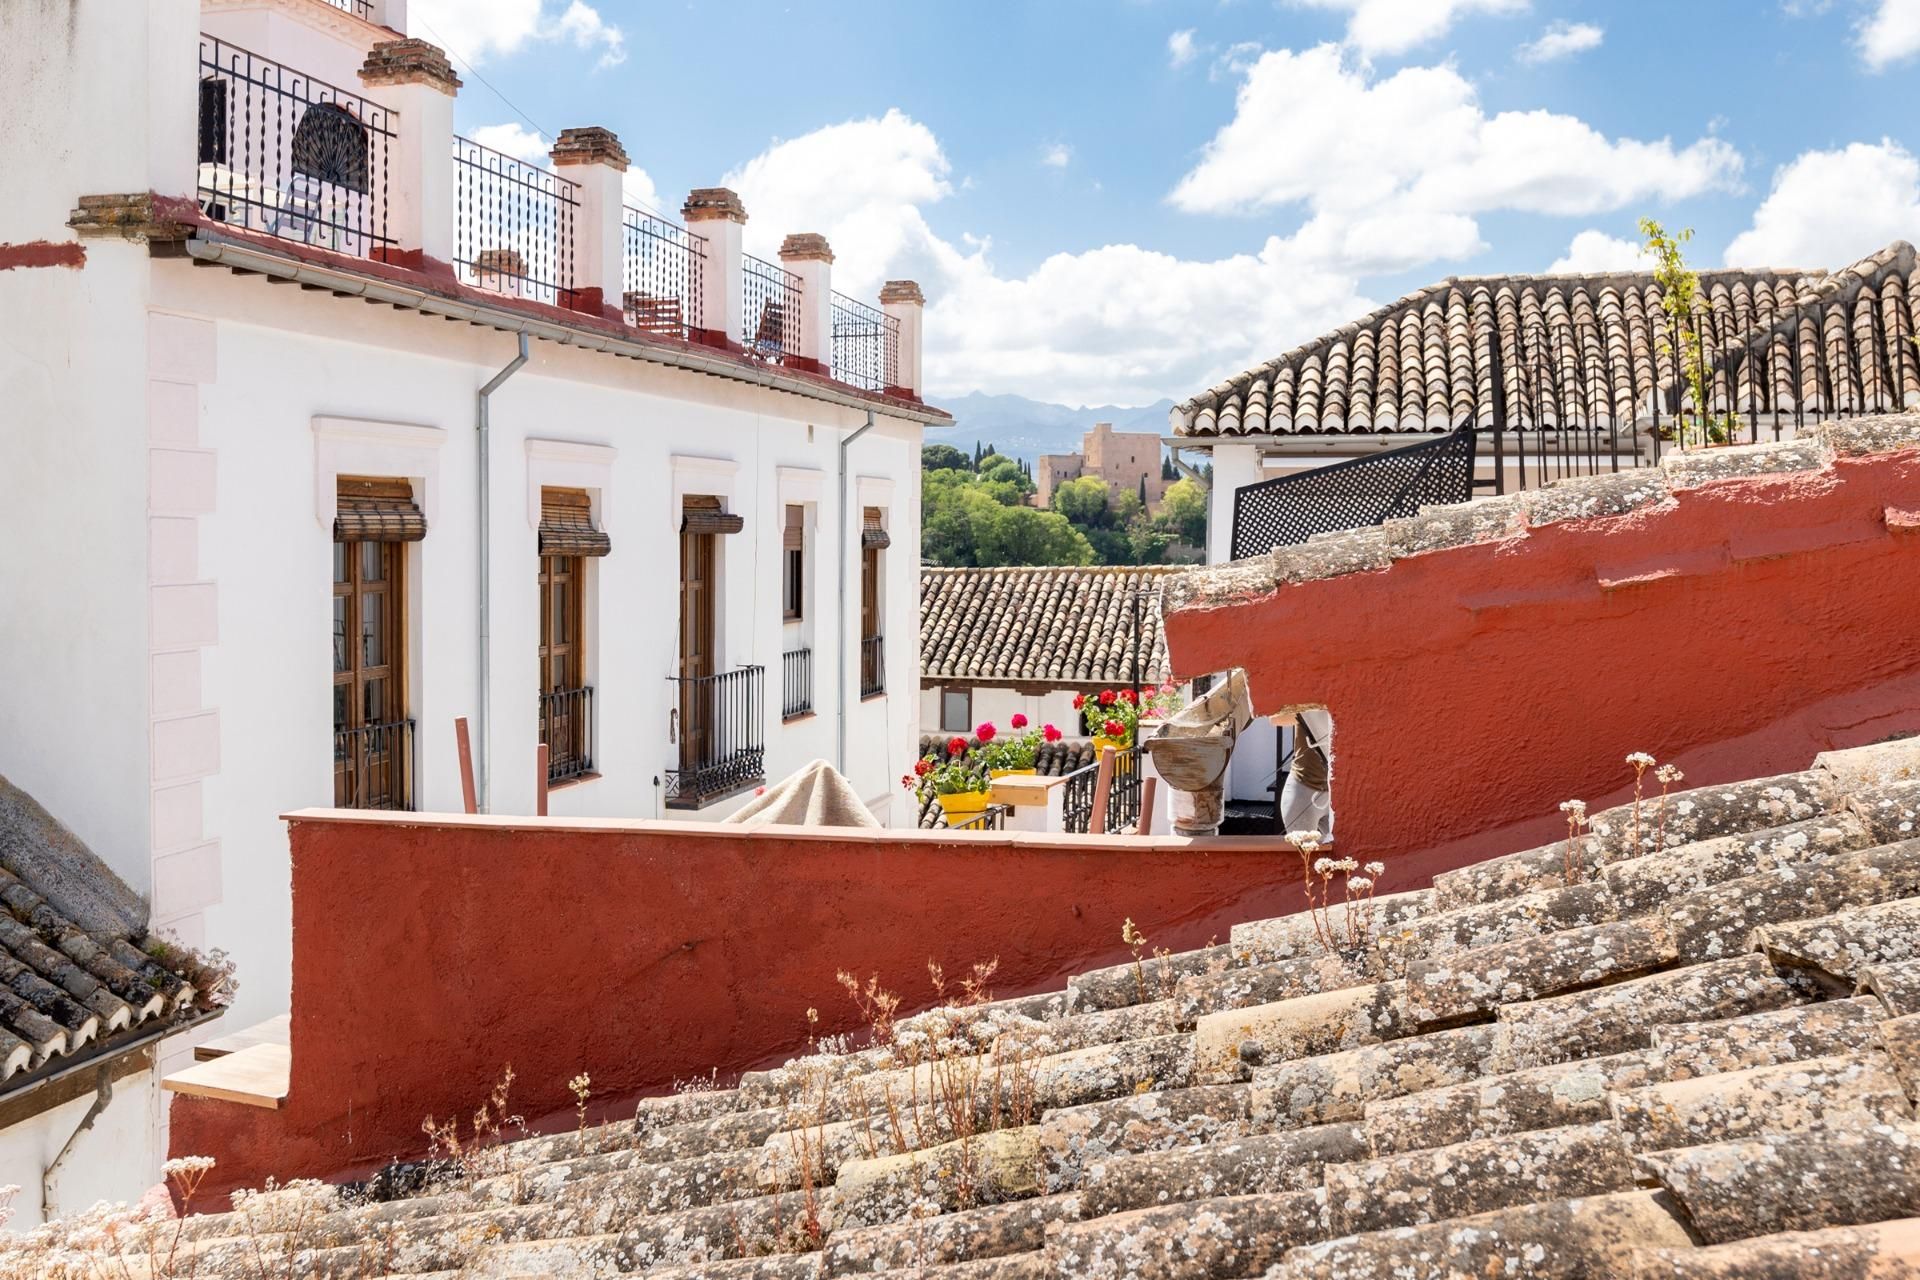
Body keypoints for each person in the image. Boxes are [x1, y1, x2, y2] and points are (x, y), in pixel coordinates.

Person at [1279, 708, 1333, 839]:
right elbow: (1276, 718)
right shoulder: (1306, 694)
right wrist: (1309, 714)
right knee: (1303, 856)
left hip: (1337, 792)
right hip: (1303, 789)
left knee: (1345, 856)